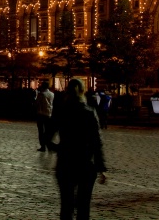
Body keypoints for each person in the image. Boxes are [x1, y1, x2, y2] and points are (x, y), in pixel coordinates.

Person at [52, 78, 107, 220]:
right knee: (84, 206)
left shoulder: (62, 111)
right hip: (85, 163)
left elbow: (47, 137)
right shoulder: (89, 112)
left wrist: (59, 148)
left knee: (66, 206)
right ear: (83, 91)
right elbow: (97, 142)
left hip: (65, 162)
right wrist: (101, 167)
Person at [35, 80, 55, 152]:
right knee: (47, 131)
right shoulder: (52, 94)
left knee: (41, 131)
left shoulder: (41, 94)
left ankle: (43, 146)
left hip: (41, 113)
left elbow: (37, 103)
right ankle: (48, 145)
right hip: (49, 113)